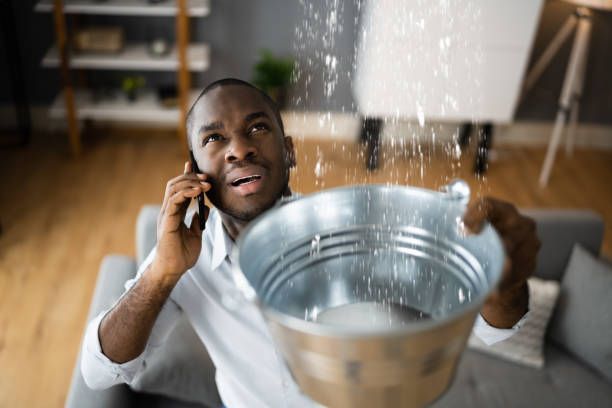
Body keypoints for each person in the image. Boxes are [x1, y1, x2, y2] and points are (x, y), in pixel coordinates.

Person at [81, 78, 540, 407]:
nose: (239, 148)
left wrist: (506, 278)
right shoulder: (181, 261)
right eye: (215, 138)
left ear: (290, 150)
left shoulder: (351, 233)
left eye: (258, 128)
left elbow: (493, 330)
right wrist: (162, 273)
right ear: (194, 170)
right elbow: (99, 372)